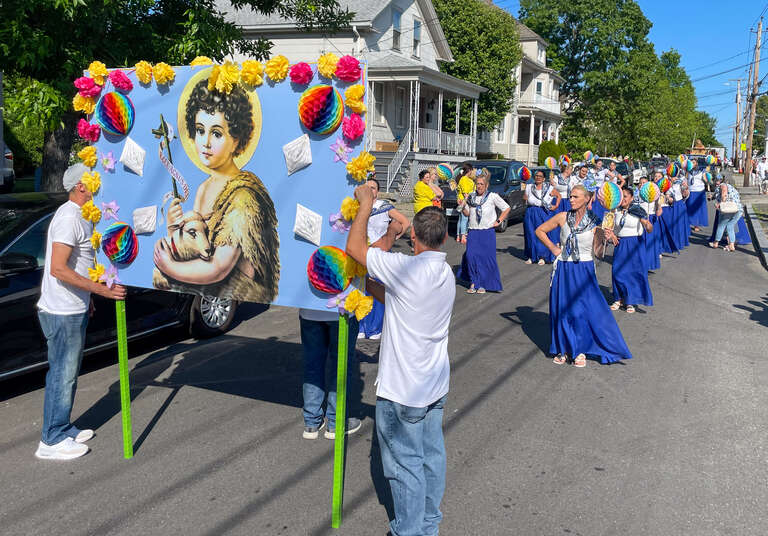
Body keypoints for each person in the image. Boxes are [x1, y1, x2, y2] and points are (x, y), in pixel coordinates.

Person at [346, 188, 455, 536]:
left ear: (415, 237)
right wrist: (392, 234)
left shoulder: (407, 268)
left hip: (403, 389)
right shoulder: (444, 273)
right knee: (430, 457)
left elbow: (356, 252)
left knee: (405, 466)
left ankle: (410, 531)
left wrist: (365, 205)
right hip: (434, 385)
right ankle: (427, 524)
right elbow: (391, 297)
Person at [157, 79, 280, 302]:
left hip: (237, 290)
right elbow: (197, 249)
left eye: (216, 133)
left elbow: (219, 267)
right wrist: (174, 228)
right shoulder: (204, 188)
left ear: (237, 139)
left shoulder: (244, 196)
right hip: (209, 290)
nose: (205, 142)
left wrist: (169, 266)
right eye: (200, 130)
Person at [35, 164, 128, 460]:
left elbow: (78, 263)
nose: (97, 185)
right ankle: (51, 440)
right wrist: (101, 290)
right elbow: (58, 268)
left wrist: (87, 297)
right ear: (80, 187)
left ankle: (62, 426)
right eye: (92, 181)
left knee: (69, 373)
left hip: (73, 306)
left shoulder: (82, 216)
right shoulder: (68, 218)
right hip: (61, 312)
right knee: (62, 374)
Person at [535, 185, 632, 367]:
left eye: (575, 196)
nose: (571, 199)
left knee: (580, 311)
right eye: (570, 196)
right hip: (563, 267)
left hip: (584, 269)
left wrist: (605, 238)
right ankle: (563, 348)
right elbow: (539, 231)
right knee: (561, 309)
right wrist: (554, 248)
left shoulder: (595, 222)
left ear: (587, 199)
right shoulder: (562, 217)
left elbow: (598, 253)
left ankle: (579, 349)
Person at [358, 178, 410, 340]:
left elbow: (405, 222)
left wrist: (391, 238)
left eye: (373, 188)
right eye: (367, 188)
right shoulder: (357, 207)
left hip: (380, 255)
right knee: (361, 290)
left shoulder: (383, 207)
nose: (370, 191)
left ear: (377, 192)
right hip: (362, 255)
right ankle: (361, 326)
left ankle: (375, 328)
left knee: (378, 289)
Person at [299, 310, 362, 440]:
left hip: (309, 312)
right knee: (341, 365)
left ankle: (311, 422)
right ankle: (335, 423)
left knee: (312, 365)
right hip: (343, 310)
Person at [456, 171, 510, 293]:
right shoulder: (471, 197)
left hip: (487, 232)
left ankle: (483, 284)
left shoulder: (492, 196)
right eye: (477, 184)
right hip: (474, 231)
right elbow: (468, 213)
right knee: (471, 257)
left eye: (481, 184)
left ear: (486, 186)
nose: (479, 186)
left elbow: (506, 208)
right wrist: (463, 206)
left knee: (485, 258)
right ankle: (474, 282)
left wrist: (499, 220)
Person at [605, 187, 654, 313]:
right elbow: (608, 229)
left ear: (632, 198)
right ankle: (618, 298)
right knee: (617, 272)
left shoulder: (638, 210)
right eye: (622, 196)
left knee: (633, 273)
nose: (623, 199)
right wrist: (612, 236)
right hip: (620, 244)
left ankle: (630, 301)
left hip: (635, 245)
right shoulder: (614, 210)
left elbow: (648, 228)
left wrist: (648, 225)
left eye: (626, 196)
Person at [523, 170, 561, 265]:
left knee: (543, 234)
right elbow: (525, 198)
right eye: (536, 176)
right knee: (530, 234)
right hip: (531, 212)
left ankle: (543, 256)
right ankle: (532, 256)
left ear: (544, 178)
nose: (538, 177)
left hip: (544, 212)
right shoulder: (529, 187)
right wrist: (524, 195)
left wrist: (555, 206)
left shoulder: (549, 187)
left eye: (540, 176)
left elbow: (558, 195)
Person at [709, 178, 743, 252]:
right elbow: (717, 195)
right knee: (730, 226)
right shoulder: (728, 187)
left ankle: (716, 243)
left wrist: (720, 204)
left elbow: (724, 193)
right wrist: (711, 197)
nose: (716, 183)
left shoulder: (723, 185)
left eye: (716, 182)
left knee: (721, 225)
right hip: (738, 209)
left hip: (728, 209)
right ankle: (731, 245)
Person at [638, 176, 663, 272]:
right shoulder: (636, 195)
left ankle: (649, 263)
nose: (642, 184)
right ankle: (640, 263)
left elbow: (658, 209)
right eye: (640, 183)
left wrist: (659, 209)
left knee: (650, 243)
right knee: (641, 243)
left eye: (644, 182)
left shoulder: (654, 195)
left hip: (651, 219)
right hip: (640, 220)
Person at [455, 163, 475, 244]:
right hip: (464, 201)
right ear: (469, 170)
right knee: (465, 219)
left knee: (461, 219)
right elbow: (465, 193)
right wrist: (467, 202)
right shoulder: (464, 179)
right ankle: (463, 236)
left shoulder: (465, 179)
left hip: (462, 200)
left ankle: (458, 236)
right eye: (472, 170)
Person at [686, 164, 709, 232]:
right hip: (690, 192)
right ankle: (688, 223)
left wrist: (707, 179)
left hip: (699, 192)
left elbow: (706, 181)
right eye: (691, 162)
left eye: (694, 162)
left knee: (698, 210)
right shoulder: (688, 172)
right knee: (689, 208)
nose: (693, 164)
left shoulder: (702, 171)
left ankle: (696, 225)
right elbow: (686, 180)